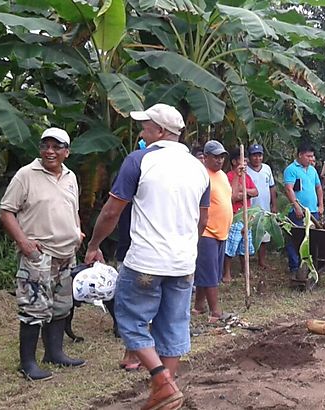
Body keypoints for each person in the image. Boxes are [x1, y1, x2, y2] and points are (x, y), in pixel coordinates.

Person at [85, 103, 210, 410]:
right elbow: (202, 221)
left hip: (145, 261)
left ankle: (161, 381)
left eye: (145, 127)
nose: (142, 132)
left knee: (129, 319)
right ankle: (164, 393)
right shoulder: (199, 169)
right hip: (183, 263)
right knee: (173, 325)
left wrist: (93, 244)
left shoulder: (139, 160)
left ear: (160, 131)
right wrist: (184, 247)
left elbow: (113, 210)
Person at [0, 128, 85, 381]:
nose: (50, 151)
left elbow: (73, 208)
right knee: (33, 308)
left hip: (66, 253)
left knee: (61, 305)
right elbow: (6, 211)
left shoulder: (70, 176)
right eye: (45, 145)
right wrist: (23, 242)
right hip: (39, 254)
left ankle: (54, 353)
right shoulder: (26, 175)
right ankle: (27, 363)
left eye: (57, 147)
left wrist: (78, 232)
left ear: (66, 152)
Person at [192, 141, 233, 322]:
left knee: (208, 271)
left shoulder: (222, 175)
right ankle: (216, 312)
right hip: (206, 231)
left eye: (222, 156)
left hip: (221, 231)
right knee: (210, 273)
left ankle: (199, 306)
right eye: (215, 157)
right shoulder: (200, 176)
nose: (219, 160)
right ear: (206, 157)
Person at [283, 143, 324, 275]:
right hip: (298, 212)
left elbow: (318, 187)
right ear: (300, 155)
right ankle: (295, 267)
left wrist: (321, 205)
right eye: (308, 156)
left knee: (311, 239)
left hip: (312, 211)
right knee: (295, 239)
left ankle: (308, 267)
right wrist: (296, 206)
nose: (311, 159)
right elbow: (289, 189)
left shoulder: (312, 170)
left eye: (312, 156)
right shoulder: (291, 169)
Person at [224, 148, 259, 283]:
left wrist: (243, 192)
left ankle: (245, 270)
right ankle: (226, 273)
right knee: (231, 245)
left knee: (246, 245)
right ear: (234, 162)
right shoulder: (229, 176)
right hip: (235, 215)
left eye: (246, 160)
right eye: (242, 160)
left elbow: (255, 192)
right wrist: (242, 193)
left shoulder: (247, 177)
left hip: (247, 215)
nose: (245, 163)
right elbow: (232, 196)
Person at [246, 143, 277, 269]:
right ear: (249, 157)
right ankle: (245, 263)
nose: (257, 158)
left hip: (265, 208)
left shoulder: (267, 169)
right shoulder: (245, 170)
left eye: (259, 155)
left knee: (264, 236)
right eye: (254, 156)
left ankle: (262, 260)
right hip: (250, 209)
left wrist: (274, 205)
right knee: (247, 235)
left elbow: (272, 187)